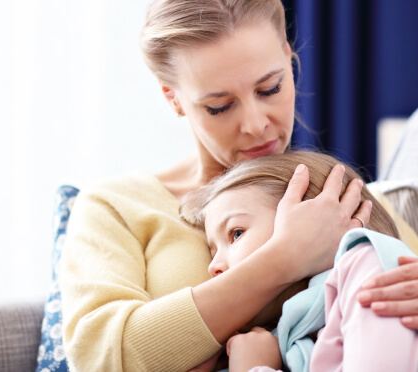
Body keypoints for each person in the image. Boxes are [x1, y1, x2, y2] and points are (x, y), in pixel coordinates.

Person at [59, 0, 418, 371]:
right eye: (219, 106)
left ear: (287, 57)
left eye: (270, 88)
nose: (255, 124)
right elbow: (99, 358)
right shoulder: (119, 207)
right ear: (174, 97)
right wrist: (283, 260)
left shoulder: (346, 201)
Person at [180, 150, 418, 372]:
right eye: (212, 253)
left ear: (321, 219)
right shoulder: (276, 337)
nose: (213, 267)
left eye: (236, 233)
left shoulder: (369, 268)